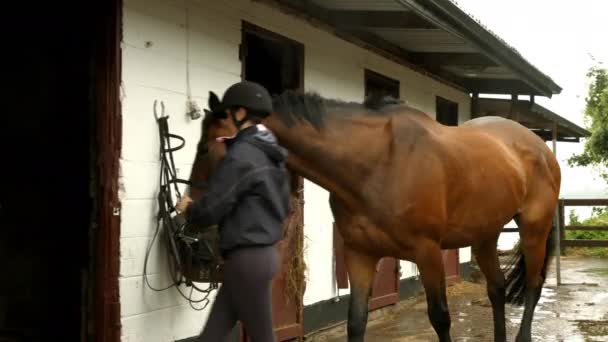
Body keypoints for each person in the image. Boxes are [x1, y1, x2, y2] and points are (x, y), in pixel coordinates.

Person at [176, 81, 290, 342]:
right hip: (261, 256)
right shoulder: (273, 156)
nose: (226, 117)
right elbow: (284, 207)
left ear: (240, 113)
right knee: (211, 336)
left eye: (228, 113)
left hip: (246, 259)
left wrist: (190, 209)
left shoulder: (242, 154)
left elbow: (213, 208)